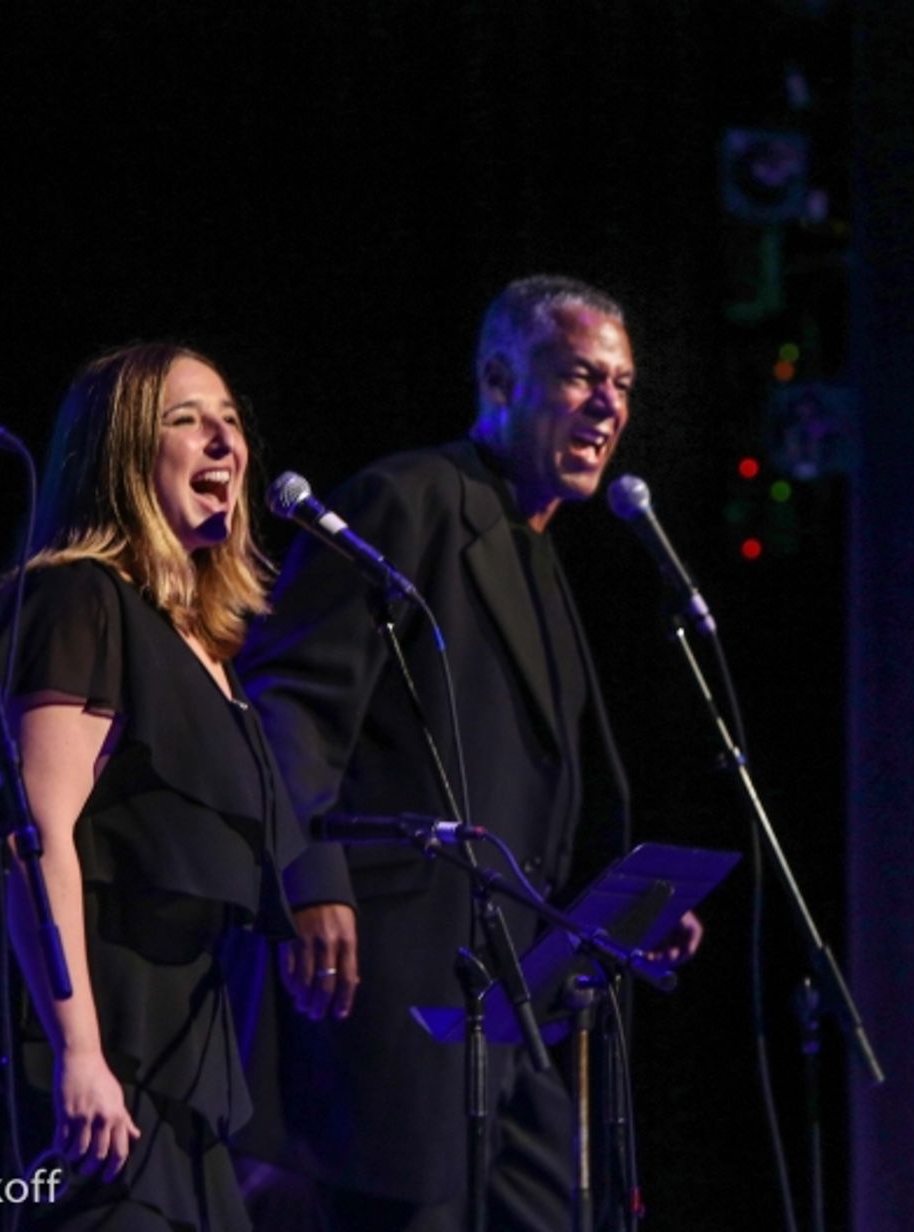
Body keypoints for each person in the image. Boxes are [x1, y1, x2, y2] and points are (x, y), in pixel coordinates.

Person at [231, 276, 702, 1232]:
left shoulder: (538, 548)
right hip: (400, 996)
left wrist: (614, 914)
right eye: (580, 376)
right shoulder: (412, 501)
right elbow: (288, 702)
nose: (610, 406)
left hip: (515, 1014)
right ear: (499, 378)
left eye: (623, 384)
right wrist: (310, 875)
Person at [0, 341, 304, 1231]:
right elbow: (34, 835)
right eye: (186, 422)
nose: (224, 443)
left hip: (173, 1059)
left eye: (231, 422)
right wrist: (80, 1051)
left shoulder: (210, 650)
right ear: (119, 457)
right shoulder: (80, 599)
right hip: (71, 1041)